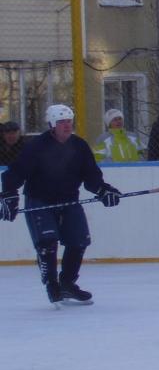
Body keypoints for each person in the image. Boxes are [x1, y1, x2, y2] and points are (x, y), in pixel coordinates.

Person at [1, 104, 123, 306]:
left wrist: (104, 190)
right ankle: (52, 285)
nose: (66, 125)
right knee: (47, 242)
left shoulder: (79, 146)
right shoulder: (36, 146)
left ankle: (67, 283)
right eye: (61, 122)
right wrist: (8, 196)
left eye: (69, 121)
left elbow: (92, 177)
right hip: (39, 200)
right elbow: (14, 173)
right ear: (52, 125)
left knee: (79, 241)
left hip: (69, 200)